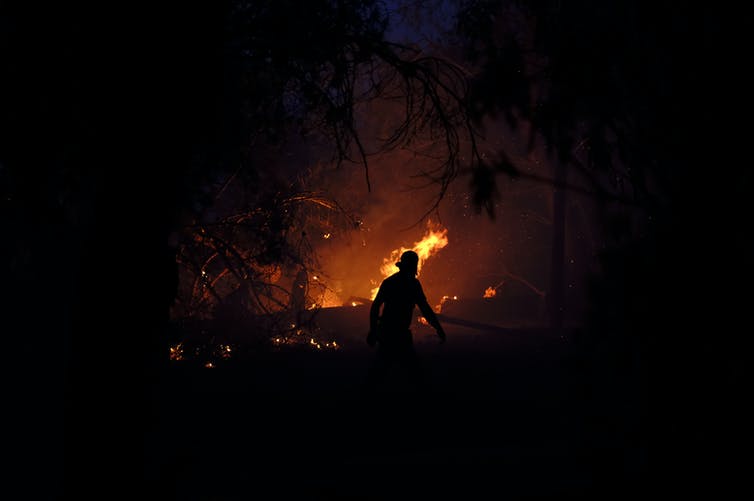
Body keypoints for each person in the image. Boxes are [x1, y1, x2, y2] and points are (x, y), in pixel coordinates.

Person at [365, 250, 446, 392]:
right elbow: (425, 309)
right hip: (394, 334)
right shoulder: (411, 284)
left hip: (390, 333)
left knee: (384, 370)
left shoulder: (392, 283)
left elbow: (375, 306)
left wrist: (373, 330)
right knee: (410, 371)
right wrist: (438, 328)